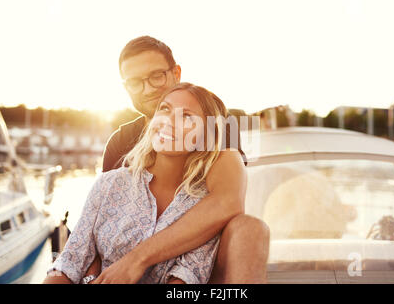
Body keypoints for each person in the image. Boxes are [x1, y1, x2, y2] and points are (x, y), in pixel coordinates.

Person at [58, 36, 268, 283]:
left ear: (176, 73)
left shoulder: (215, 126)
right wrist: (93, 276)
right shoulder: (120, 141)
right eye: (135, 82)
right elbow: (95, 227)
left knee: (250, 228)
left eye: (156, 76)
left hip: (198, 267)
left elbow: (227, 202)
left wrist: (138, 259)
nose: (147, 89)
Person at [44, 83, 235, 284]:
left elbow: (185, 279)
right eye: (165, 109)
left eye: (187, 116)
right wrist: (90, 278)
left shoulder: (204, 207)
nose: (169, 121)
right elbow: (67, 264)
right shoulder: (109, 184)